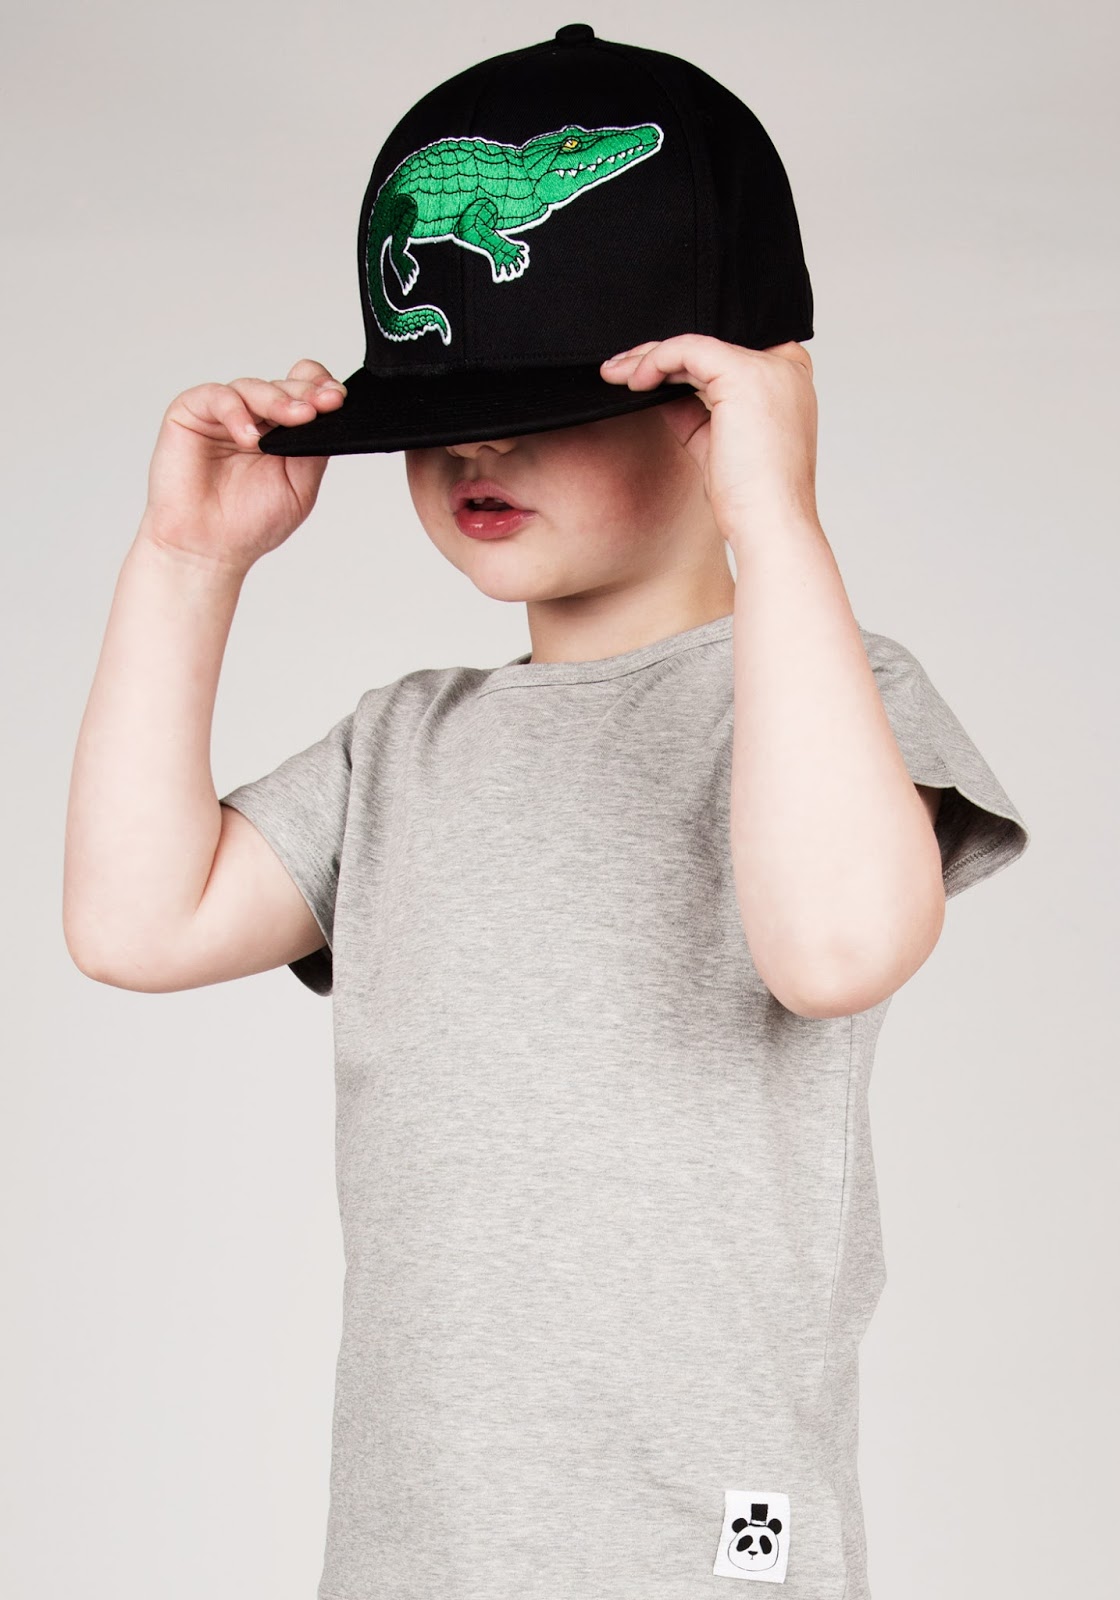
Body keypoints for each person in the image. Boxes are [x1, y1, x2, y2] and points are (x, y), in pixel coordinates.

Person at [62, 24, 1031, 1600]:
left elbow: (838, 947)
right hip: (417, 1553)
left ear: (721, 402)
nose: (477, 444)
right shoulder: (404, 744)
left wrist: (777, 520)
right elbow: (134, 921)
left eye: (551, 399)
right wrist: (187, 566)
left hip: (705, 1547)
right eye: (441, 406)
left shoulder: (831, 697)